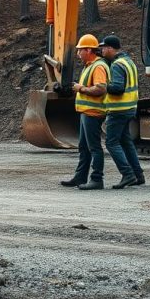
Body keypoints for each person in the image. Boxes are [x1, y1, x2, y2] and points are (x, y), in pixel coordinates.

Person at [60, 34, 109, 191]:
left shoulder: (98, 66)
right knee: (84, 147)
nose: (78, 53)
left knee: (94, 147)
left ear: (89, 50)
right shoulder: (89, 66)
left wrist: (80, 88)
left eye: (80, 50)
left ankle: (96, 179)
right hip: (86, 113)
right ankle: (80, 177)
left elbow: (101, 88)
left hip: (93, 113)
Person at [99, 35, 146, 189]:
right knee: (126, 142)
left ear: (111, 48)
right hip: (130, 108)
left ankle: (127, 174)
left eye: (104, 47)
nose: (102, 50)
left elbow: (118, 88)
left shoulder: (117, 65)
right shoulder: (128, 62)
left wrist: (104, 86)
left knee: (111, 143)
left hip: (118, 110)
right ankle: (138, 175)